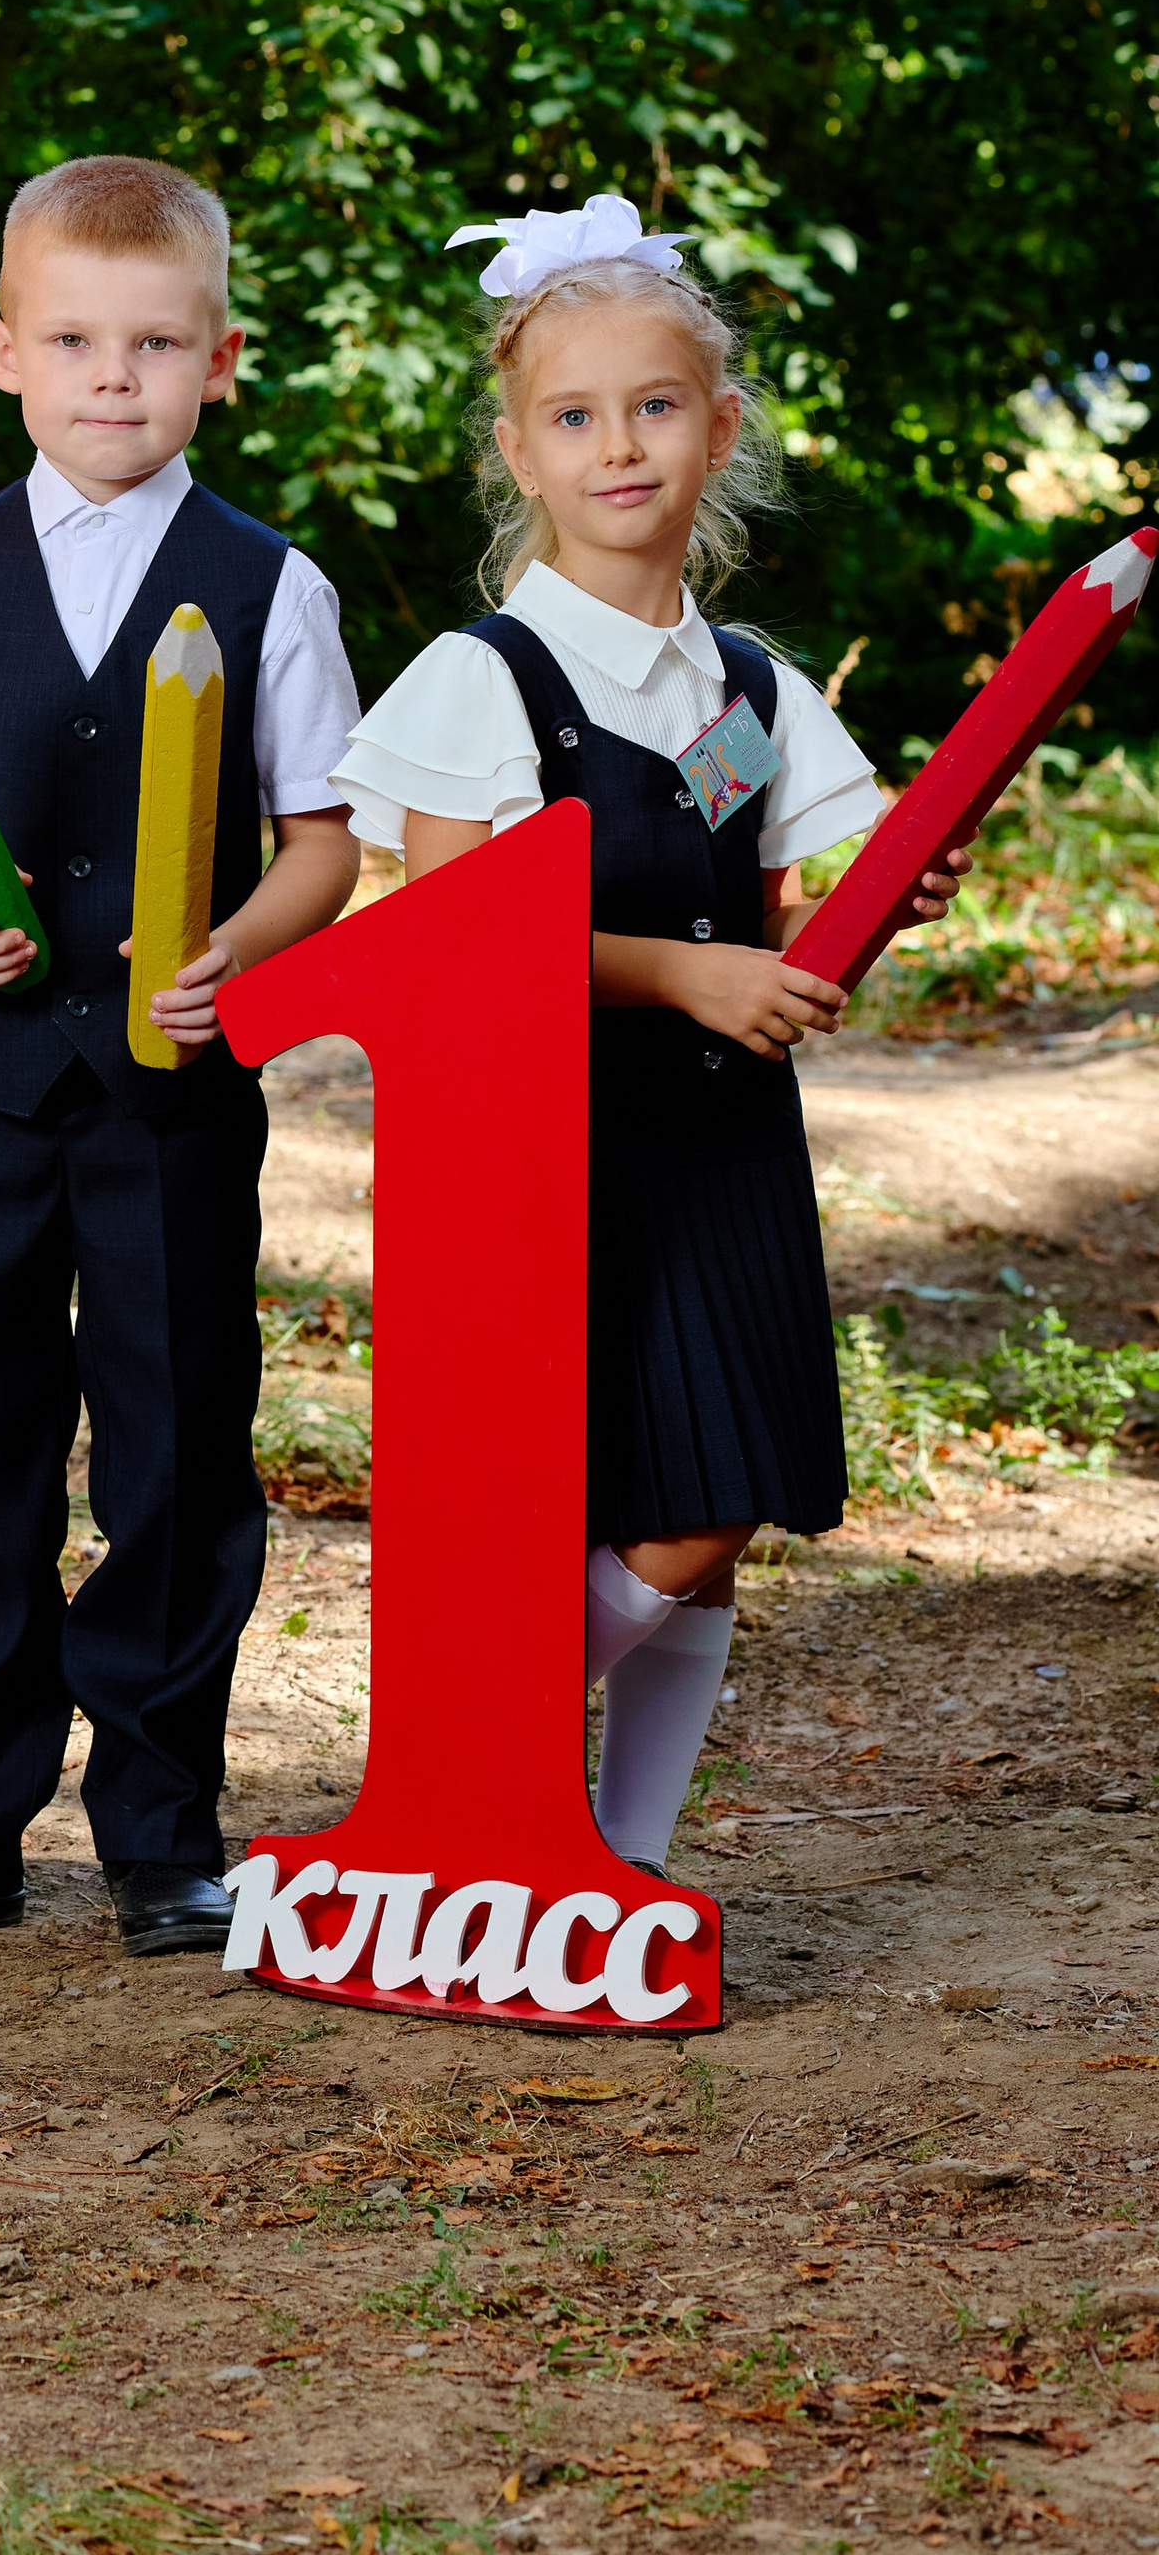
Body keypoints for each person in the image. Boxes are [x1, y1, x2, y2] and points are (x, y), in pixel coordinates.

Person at [329, 193, 966, 1875]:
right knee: (678, 1502)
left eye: (658, 405)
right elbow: (445, 952)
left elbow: (778, 939)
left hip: (729, 1144)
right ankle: (474, 1747)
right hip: (558, 1156)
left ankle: (619, 1858)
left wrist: (893, 895)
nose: (621, 445)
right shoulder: (487, 679)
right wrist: (685, 981)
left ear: (722, 428)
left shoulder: (748, 685)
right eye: (576, 416)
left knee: (716, 1504)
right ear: (520, 455)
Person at [0, 155, 362, 1960]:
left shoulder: (270, 585)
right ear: (2, 352)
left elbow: (322, 841)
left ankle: (161, 1826)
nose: (111, 376)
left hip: (172, 1093)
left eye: (152, 342)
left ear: (221, 360)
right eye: (72, 339)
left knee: (180, 1451)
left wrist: (234, 953)